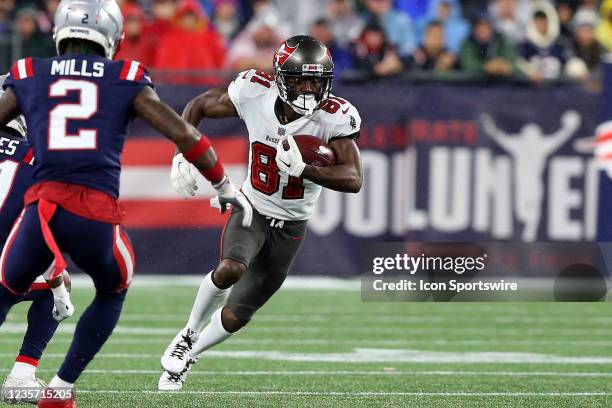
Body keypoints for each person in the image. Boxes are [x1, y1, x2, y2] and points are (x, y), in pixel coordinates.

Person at [0, 1, 252, 406]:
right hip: (93, 213)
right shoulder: (126, 76)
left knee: (5, 289)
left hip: (42, 208)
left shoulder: (30, 72)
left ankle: (30, 374)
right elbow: (185, 134)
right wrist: (221, 183)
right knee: (112, 289)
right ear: (114, 37)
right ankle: (60, 389)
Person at [159, 35, 363, 390]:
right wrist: (182, 153)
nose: (308, 88)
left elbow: (353, 178)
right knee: (231, 268)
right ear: (281, 77)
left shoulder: (335, 118)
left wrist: (306, 170)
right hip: (251, 205)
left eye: (316, 80)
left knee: (238, 314)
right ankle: (188, 333)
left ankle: (188, 359)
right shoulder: (255, 92)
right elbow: (200, 105)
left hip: (293, 224)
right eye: (300, 79)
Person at [0, 77, 73, 405]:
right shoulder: (37, 159)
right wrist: (58, 288)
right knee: (59, 285)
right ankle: (22, 375)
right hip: (5, 271)